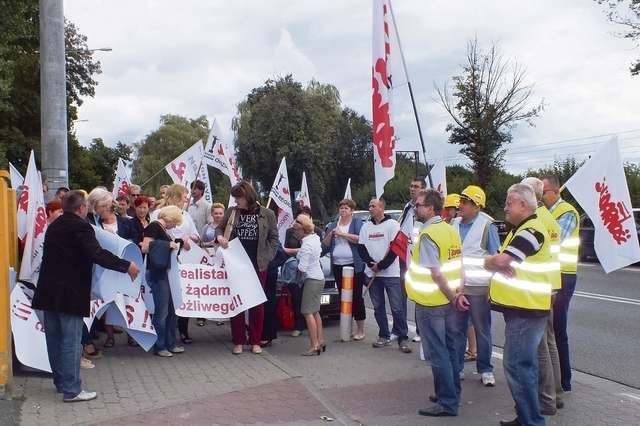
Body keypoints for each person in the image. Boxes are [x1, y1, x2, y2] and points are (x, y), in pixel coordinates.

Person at [32, 190, 139, 402]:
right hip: (70, 293)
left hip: (47, 291)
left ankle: (61, 383)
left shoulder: (54, 226)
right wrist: (126, 265)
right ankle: (72, 390)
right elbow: (96, 254)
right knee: (71, 341)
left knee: (54, 340)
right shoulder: (81, 226)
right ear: (81, 208)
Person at [484, 184, 554, 426]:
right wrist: (497, 262)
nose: (504, 207)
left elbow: (501, 260)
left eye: (509, 202)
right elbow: (502, 262)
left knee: (517, 366)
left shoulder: (530, 231)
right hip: (523, 309)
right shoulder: (522, 229)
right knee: (525, 366)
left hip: (527, 310)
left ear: (523, 205)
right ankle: (525, 417)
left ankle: (532, 421)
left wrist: (490, 261)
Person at [406, 189, 466, 417]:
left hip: (432, 302)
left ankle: (447, 403)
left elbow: (436, 273)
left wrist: (453, 296)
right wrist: (458, 293)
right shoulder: (450, 230)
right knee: (451, 350)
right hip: (449, 300)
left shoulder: (429, 234)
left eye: (418, 205)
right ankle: (450, 393)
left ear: (430, 208)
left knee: (438, 353)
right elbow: (460, 265)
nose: (416, 208)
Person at [216, 181, 278, 355]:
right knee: (237, 303)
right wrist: (220, 237)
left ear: (248, 196)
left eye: (239, 198)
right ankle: (238, 341)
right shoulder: (232, 212)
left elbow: (274, 238)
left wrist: (268, 256)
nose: (236, 201)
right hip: (236, 264)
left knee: (256, 303)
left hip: (258, 264)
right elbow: (219, 229)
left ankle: (256, 341)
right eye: (235, 198)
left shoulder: (267, 214)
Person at [522, 177, 564, 416]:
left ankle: (546, 397)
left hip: (538, 289)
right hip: (550, 285)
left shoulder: (535, 220)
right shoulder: (548, 217)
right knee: (549, 342)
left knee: (541, 346)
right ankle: (555, 392)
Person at [451, 185, 500, 387]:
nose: (460, 205)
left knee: (482, 331)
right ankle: (458, 368)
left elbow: (495, 258)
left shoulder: (488, 226)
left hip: (479, 288)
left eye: (464, 202)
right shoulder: (453, 223)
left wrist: (492, 288)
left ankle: (486, 369)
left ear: (477, 206)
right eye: (460, 201)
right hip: (457, 288)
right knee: (457, 330)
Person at [542, 175, 580, 393]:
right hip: (552, 274)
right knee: (549, 329)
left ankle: (564, 381)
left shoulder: (566, 212)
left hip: (563, 275)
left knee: (557, 328)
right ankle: (554, 378)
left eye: (544, 191)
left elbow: (554, 241)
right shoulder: (547, 212)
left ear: (556, 191)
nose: (541, 196)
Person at [358, 198, 411, 353]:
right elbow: (361, 248)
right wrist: (371, 264)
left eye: (373, 206)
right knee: (378, 306)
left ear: (382, 208)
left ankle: (402, 337)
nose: (370, 208)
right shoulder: (365, 227)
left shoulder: (393, 225)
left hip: (390, 274)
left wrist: (381, 265)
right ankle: (384, 335)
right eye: (369, 206)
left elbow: (395, 249)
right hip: (373, 274)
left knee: (397, 307)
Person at [154, 184, 200, 344]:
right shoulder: (157, 214)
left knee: (176, 306)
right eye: (184, 196)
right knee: (162, 308)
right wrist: (171, 242)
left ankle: (172, 341)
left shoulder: (186, 215)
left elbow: (196, 235)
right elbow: (151, 238)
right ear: (176, 196)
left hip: (183, 264)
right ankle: (159, 343)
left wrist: (190, 238)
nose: (187, 199)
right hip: (162, 265)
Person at [140, 205, 185, 357]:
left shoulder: (161, 229)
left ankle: (170, 343)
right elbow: (145, 247)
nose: (175, 226)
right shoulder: (154, 227)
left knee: (171, 310)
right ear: (170, 219)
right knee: (162, 312)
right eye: (176, 222)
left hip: (165, 274)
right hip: (158, 274)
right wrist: (167, 244)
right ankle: (160, 346)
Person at [323, 199, 367, 340]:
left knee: (356, 296)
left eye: (346, 208)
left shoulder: (357, 223)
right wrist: (331, 235)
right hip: (337, 265)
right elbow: (324, 245)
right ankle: (347, 327)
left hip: (354, 265)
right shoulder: (333, 225)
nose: (343, 210)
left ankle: (360, 328)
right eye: (341, 208)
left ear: (352, 210)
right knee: (344, 296)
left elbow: (360, 239)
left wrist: (343, 234)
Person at [397, 178, 426, 343]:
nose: (412, 189)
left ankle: (421, 330)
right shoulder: (408, 206)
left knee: (419, 294)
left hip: (419, 257)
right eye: (411, 185)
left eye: (416, 186)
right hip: (405, 256)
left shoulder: (425, 211)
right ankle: (401, 329)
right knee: (402, 294)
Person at [294, 214, 326, 356]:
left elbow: (302, 268)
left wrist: (295, 263)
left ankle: (314, 345)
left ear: (303, 230)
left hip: (311, 279)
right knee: (315, 311)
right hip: (319, 277)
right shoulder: (315, 238)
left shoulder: (306, 244)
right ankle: (320, 340)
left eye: (296, 230)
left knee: (307, 312)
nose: (295, 232)